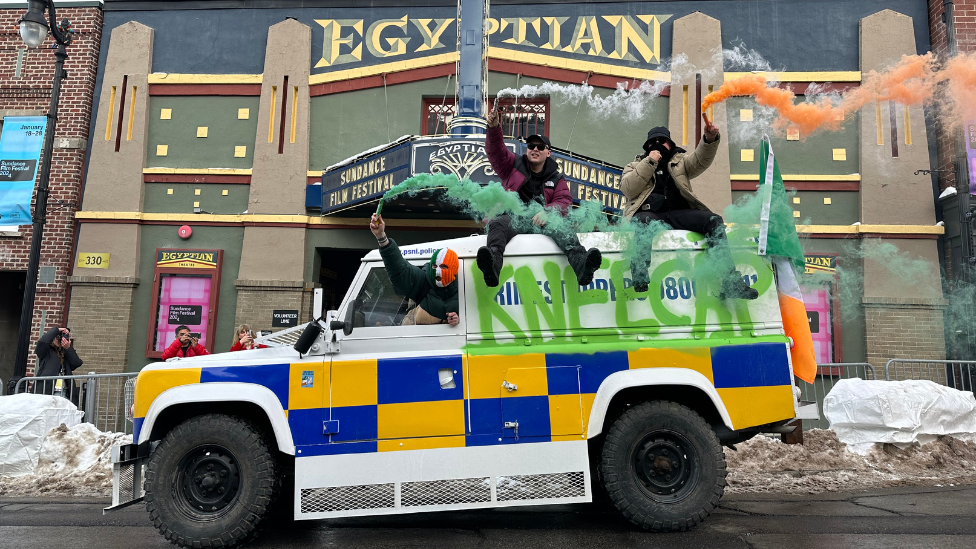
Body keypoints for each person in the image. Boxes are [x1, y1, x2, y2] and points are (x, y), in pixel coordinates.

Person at [621, 120, 758, 300]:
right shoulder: (635, 165)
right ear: (646, 147)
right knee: (641, 220)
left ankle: (730, 281)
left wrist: (710, 139)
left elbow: (701, 160)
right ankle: (639, 275)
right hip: (650, 214)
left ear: (670, 144)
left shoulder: (681, 161)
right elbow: (628, 188)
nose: (657, 145)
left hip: (679, 213)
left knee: (714, 221)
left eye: (662, 141)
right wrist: (650, 162)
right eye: (652, 143)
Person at [477, 107, 602, 288]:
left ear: (548, 152)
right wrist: (494, 128)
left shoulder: (556, 178)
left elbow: (564, 202)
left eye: (540, 147)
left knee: (562, 226)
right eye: (531, 146)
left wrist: (547, 211)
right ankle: (493, 266)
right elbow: (495, 151)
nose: (535, 149)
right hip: (513, 220)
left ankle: (582, 266)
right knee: (497, 223)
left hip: (541, 223)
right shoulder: (511, 165)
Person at [369, 214, 460, 326]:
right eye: (434, 267)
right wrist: (381, 237)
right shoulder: (423, 281)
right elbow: (400, 269)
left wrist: (457, 320)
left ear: (454, 269)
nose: (437, 272)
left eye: (444, 267)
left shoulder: (463, 288)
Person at [35, 326, 83, 403]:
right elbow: (43, 342)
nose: (60, 339)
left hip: (64, 391)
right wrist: (57, 330)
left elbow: (76, 363)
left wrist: (68, 348)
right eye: (58, 337)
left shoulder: (65, 352)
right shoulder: (46, 352)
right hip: (47, 391)